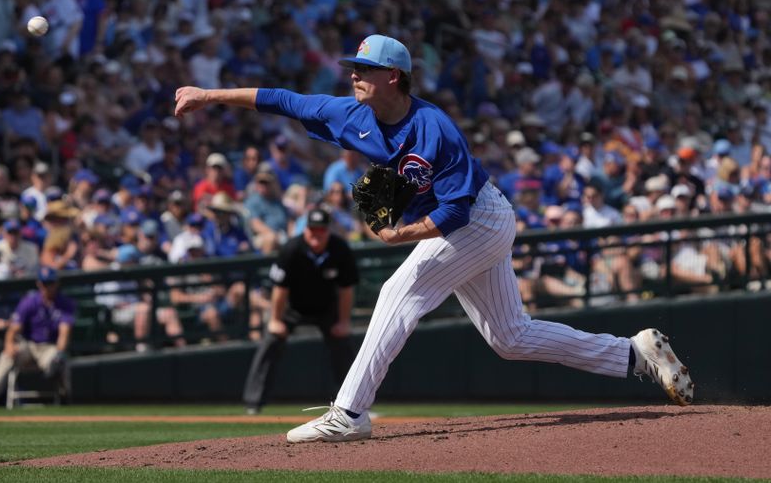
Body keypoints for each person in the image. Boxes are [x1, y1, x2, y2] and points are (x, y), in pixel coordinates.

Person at [175, 33, 695, 443]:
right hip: (465, 222)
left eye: (365, 69)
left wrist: (403, 233)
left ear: (394, 77)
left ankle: (349, 412)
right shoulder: (351, 114)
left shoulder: (435, 128)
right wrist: (208, 96)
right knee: (510, 338)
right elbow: (281, 100)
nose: (353, 75)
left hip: (478, 218)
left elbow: (455, 209)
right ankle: (634, 353)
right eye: (352, 68)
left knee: (398, 293)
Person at [243, 208, 358, 414]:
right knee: (271, 340)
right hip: (293, 307)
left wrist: (344, 321)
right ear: (306, 230)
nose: (316, 234)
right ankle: (254, 403)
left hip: (326, 307)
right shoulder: (292, 248)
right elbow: (280, 288)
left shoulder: (340, 249)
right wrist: (276, 319)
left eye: (321, 229)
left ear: (328, 231)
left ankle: (352, 404)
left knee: (343, 344)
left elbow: (346, 289)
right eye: (313, 229)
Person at [0, 267, 75, 407]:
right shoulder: (30, 301)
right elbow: (13, 329)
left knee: (60, 360)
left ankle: (64, 396)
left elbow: (64, 333)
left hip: (49, 348)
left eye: (49, 283)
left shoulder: (65, 303)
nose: (46, 287)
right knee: (7, 355)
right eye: (43, 283)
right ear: (38, 284)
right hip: (29, 345)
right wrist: (9, 345)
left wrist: (59, 354)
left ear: (56, 283)